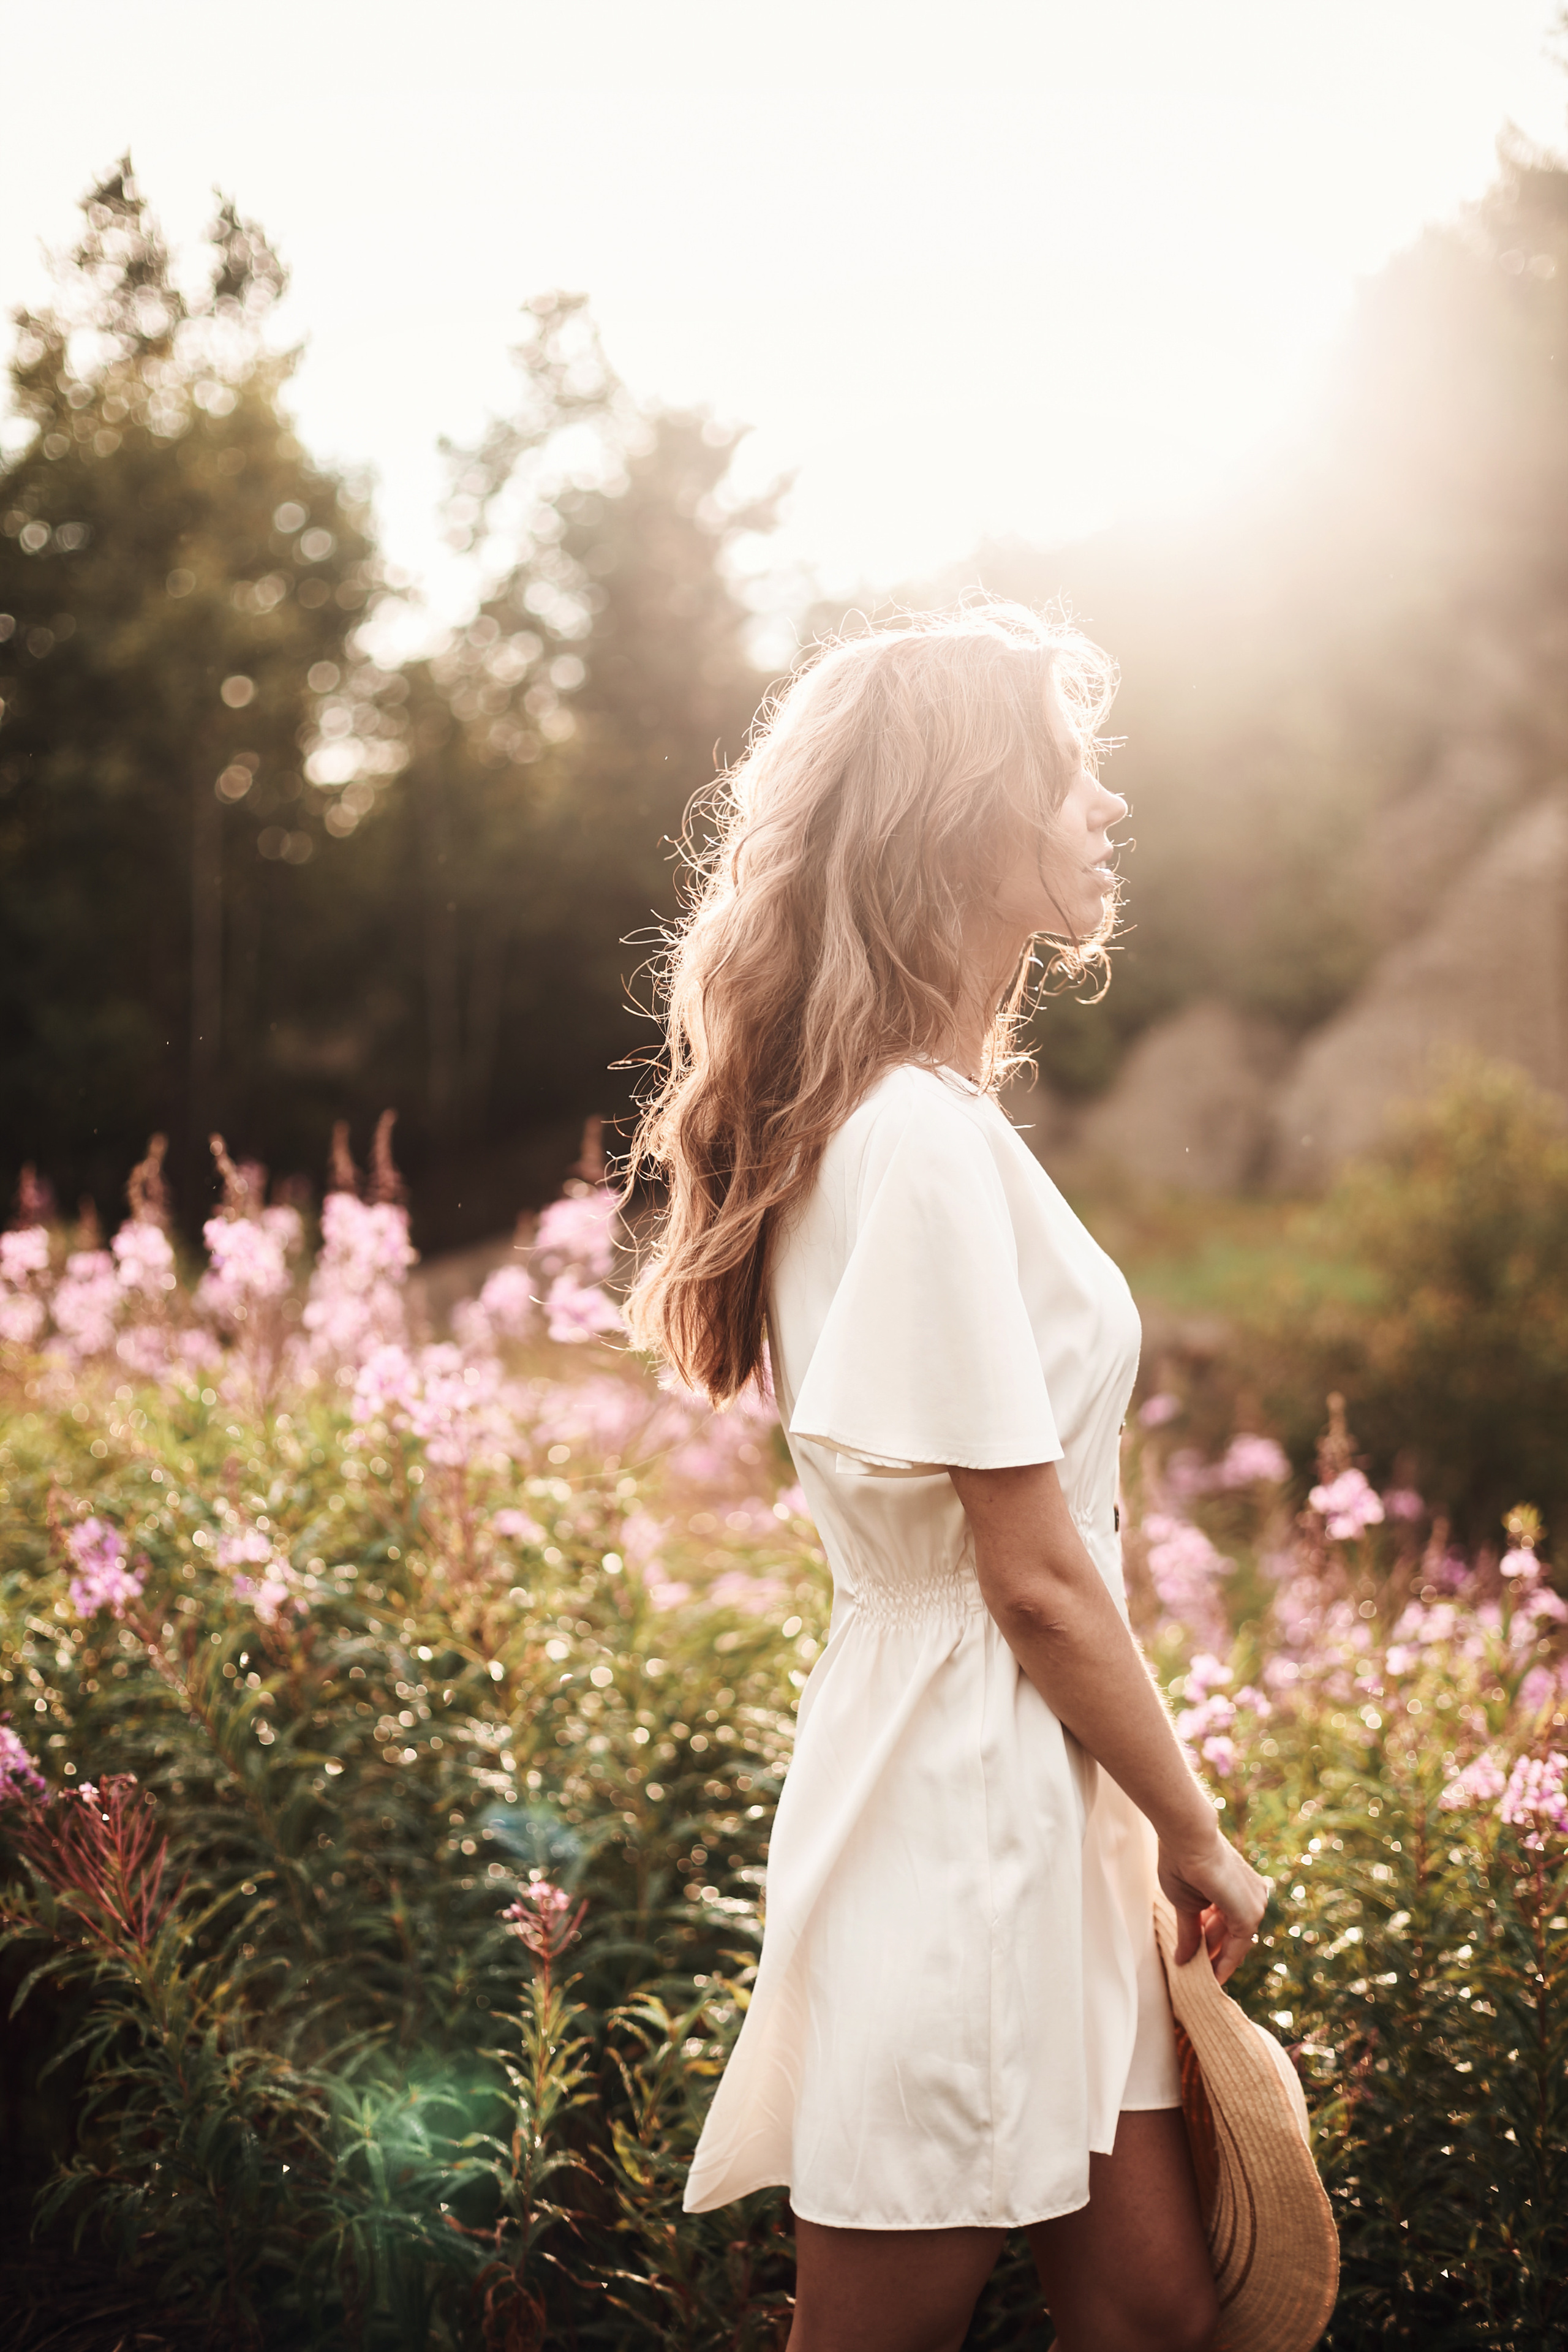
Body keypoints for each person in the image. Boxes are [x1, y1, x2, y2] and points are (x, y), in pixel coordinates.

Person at [627, 603, 1270, 2352]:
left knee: (1151, 2314)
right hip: (958, 1803)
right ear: (970, 812)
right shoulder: (910, 1139)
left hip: (1037, 1793)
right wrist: (1202, 1831)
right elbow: (1034, 1575)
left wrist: (1141, 1828)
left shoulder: (925, 1125)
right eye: (1072, 773)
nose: (1106, 810)